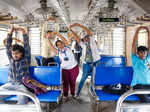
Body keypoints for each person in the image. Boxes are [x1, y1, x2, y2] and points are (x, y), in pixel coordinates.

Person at [0, 27, 30, 104]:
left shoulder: (26, 59)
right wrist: (11, 31)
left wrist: (24, 32)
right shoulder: (11, 59)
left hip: (22, 85)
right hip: (10, 84)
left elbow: (26, 45)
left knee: (23, 100)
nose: (14, 55)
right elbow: (7, 45)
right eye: (13, 53)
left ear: (21, 53)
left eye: (17, 53)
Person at [69, 23, 100, 97]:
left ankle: (92, 91)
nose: (85, 39)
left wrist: (79, 25)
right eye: (84, 38)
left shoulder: (92, 42)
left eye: (87, 37)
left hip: (96, 62)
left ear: (89, 37)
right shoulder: (83, 44)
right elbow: (77, 38)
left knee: (94, 78)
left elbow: (88, 31)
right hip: (86, 63)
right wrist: (71, 31)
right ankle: (78, 92)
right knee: (83, 78)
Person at [46, 31, 79, 101]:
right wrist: (48, 39)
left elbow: (64, 40)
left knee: (72, 82)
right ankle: (65, 95)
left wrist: (58, 34)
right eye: (58, 45)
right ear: (57, 46)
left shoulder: (68, 47)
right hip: (64, 69)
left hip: (74, 68)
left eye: (61, 44)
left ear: (63, 44)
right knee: (65, 82)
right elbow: (51, 46)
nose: (60, 45)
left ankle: (73, 94)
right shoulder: (58, 52)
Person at [131, 26, 150, 103]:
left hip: (148, 85)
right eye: (141, 52)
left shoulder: (148, 58)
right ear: (138, 53)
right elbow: (134, 45)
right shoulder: (135, 60)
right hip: (138, 85)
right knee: (146, 101)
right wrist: (137, 31)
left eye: (144, 52)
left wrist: (148, 31)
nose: (143, 54)